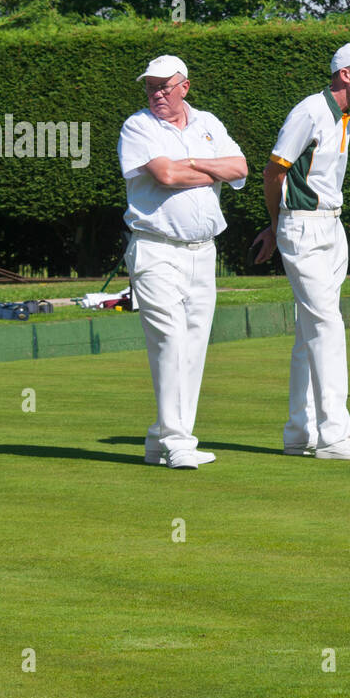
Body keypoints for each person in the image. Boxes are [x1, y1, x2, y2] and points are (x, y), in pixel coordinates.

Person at [251, 43, 350, 460]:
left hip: (332, 227)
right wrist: (277, 226)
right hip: (304, 229)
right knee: (327, 325)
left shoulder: (343, 117)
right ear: (344, 73)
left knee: (308, 331)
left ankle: (300, 432)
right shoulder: (310, 110)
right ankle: (334, 436)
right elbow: (274, 171)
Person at [118, 55, 248, 468]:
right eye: (150, 87)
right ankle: (178, 442)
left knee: (192, 348)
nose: (156, 93)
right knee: (170, 341)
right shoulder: (137, 126)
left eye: (164, 86)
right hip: (156, 249)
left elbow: (241, 168)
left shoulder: (209, 123)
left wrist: (190, 162)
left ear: (184, 87)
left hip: (203, 251)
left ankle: (161, 439)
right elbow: (165, 176)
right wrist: (211, 170)